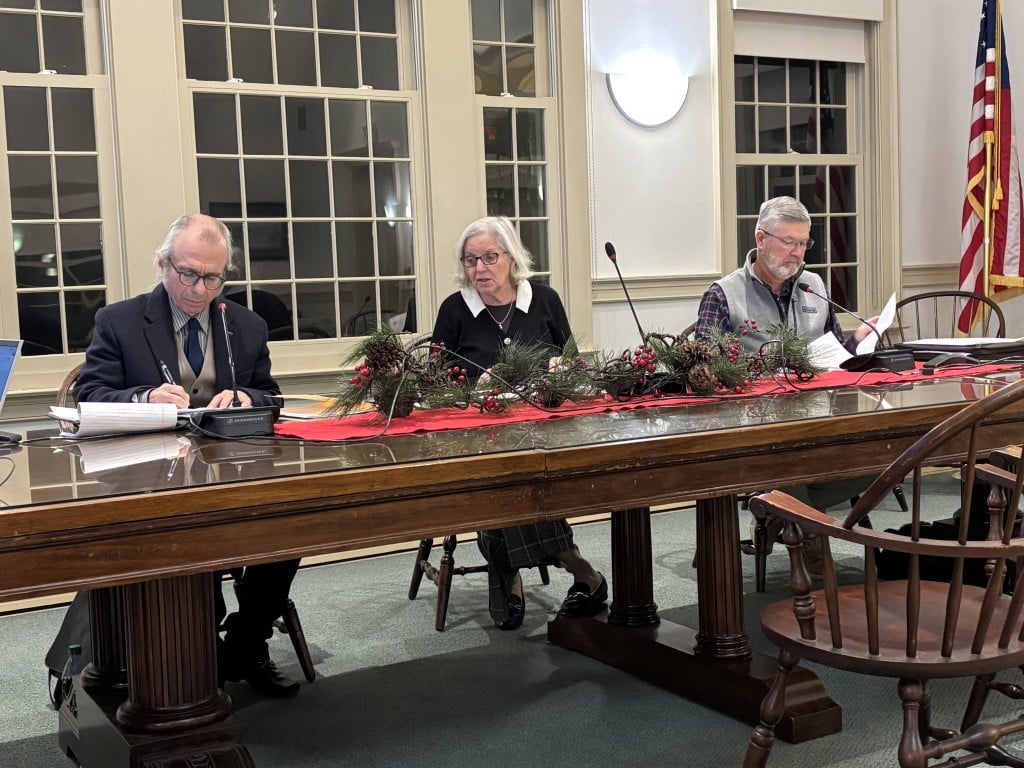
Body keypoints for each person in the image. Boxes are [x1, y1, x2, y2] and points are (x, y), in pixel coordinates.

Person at [74, 213, 301, 697]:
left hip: (232, 472)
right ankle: (191, 654)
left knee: (290, 520)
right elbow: (90, 395)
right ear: (163, 264)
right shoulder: (119, 320)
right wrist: (142, 398)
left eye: (213, 277)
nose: (199, 289)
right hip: (149, 476)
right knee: (178, 543)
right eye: (188, 274)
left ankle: (244, 643)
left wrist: (248, 399)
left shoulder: (247, 324)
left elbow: (271, 396)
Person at [431, 215, 607, 629]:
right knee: (503, 482)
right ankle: (581, 571)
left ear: (511, 258)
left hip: (543, 433)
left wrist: (563, 369)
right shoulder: (455, 310)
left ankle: (504, 568)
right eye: (470, 260)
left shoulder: (543, 300)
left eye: (489, 257)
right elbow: (433, 386)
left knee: (517, 481)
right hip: (478, 437)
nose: (479, 269)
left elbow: (575, 367)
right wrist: (477, 386)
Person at [694, 195, 876, 356]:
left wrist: (857, 341)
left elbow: (836, 357)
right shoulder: (722, 295)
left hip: (817, 393)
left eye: (803, 243)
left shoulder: (814, 285)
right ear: (760, 239)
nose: (797, 252)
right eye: (788, 242)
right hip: (753, 394)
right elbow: (707, 372)